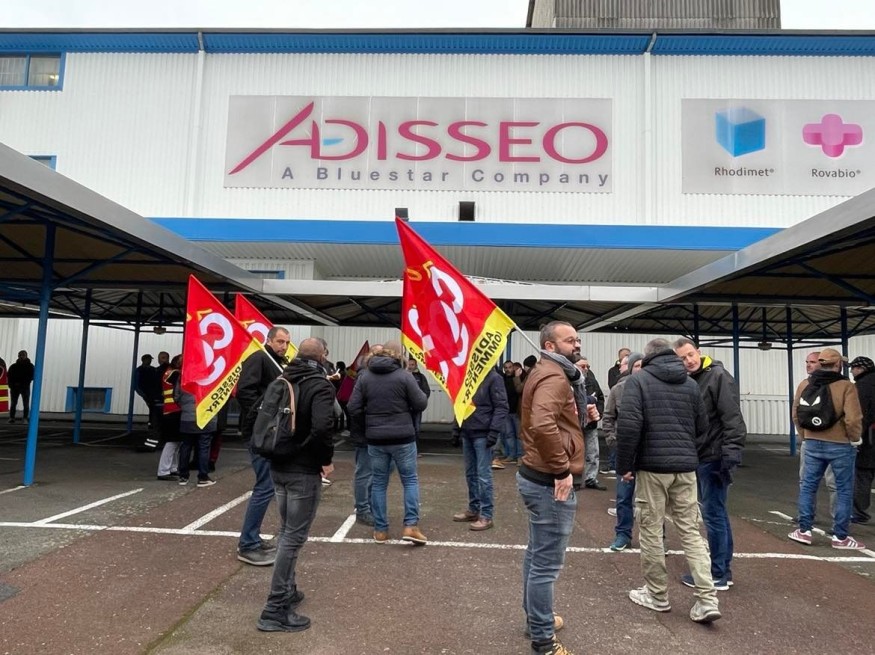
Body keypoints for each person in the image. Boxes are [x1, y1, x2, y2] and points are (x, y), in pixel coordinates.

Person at [616, 338, 720, 624]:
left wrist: (624, 465)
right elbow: (703, 427)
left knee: (651, 530)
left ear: (647, 356)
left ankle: (657, 594)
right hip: (685, 468)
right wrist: (688, 452)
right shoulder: (690, 384)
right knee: (691, 531)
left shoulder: (638, 382)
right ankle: (707, 598)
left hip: (652, 468)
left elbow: (629, 426)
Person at [518, 321, 597, 655]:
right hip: (549, 480)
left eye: (577, 339)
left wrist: (583, 419)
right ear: (549, 346)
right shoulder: (554, 375)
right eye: (569, 340)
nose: (576, 344)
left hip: (537, 474)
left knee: (537, 555)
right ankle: (543, 640)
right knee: (545, 565)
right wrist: (562, 469)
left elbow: (554, 420)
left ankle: (537, 619)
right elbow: (541, 423)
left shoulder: (556, 373)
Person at [256, 338, 336, 633]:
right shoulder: (319, 385)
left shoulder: (282, 378)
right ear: (322, 356)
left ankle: (288, 590)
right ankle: (275, 608)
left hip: (277, 464)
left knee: (286, 530)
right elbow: (322, 428)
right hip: (302, 469)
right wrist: (324, 460)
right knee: (293, 537)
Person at [673, 337, 747, 590]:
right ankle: (722, 570)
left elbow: (732, 417)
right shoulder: (690, 380)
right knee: (716, 513)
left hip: (715, 457)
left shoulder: (718, 376)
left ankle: (718, 573)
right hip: (701, 455)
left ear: (699, 352)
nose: (688, 361)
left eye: (690, 354)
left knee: (714, 515)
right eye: (682, 358)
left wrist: (731, 453)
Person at [347, 341, 429, 545]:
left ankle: (380, 530)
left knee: (379, 483)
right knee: (409, 480)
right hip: (403, 437)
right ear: (399, 355)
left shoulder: (365, 376)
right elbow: (421, 403)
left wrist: (370, 419)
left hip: (375, 438)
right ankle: (410, 526)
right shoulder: (404, 376)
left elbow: (353, 407)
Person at [789, 347, 865, 549]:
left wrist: (805, 435)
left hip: (812, 442)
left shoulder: (806, 384)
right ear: (838, 364)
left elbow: (796, 413)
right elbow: (853, 418)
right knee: (843, 489)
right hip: (840, 445)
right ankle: (840, 537)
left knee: (808, 486)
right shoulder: (846, 386)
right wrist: (854, 439)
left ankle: (804, 530)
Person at [236, 326, 291, 566]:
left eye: (286, 342)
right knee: (265, 486)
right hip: (259, 433)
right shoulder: (259, 358)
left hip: (271, 433)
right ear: (269, 340)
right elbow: (244, 392)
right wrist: (263, 417)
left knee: (268, 485)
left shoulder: (279, 363)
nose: (284, 346)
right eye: (280, 341)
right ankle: (247, 544)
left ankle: (253, 539)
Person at [451, 367, 508, 531]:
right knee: (471, 474)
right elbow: (460, 403)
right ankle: (474, 509)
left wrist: (493, 432)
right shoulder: (468, 377)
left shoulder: (494, 378)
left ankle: (486, 515)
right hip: (468, 431)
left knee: (483, 476)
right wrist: (456, 428)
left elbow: (501, 407)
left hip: (483, 433)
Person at [601, 351, 644, 551]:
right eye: (637, 365)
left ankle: (657, 538)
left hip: (649, 453)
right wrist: (613, 442)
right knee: (624, 496)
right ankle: (623, 535)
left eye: (644, 365)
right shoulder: (618, 389)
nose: (641, 369)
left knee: (652, 499)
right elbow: (608, 417)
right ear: (631, 368)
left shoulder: (655, 388)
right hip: (625, 452)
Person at [796, 351, 837, 524]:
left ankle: (837, 520)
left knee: (833, 484)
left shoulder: (839, 384)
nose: (808, 365)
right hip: (813, 440)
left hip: (833, 441)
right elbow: (796, 412)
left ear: (822, 363)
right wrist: (804, 435)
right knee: (806, 481)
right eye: (807, 362)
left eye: (812, 362)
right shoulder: (804, 384)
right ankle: (806, 517)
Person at [175, 379, 217, 487]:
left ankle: (183, 476)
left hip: (187, 417)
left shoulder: (183, 376)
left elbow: (176, 397)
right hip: (206, 417)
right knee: (204, 447)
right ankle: (203, 477)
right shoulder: (211, 376)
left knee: (185, 446)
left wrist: (185, 407)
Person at [849, 356, 875, 524]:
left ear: (861, 369)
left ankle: (859, 512)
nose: (851, 371)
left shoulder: (861, 386)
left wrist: (855, 437)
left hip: (869, 438)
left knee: (863, 475)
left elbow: (860, 415)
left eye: (853, 368)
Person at [575, 357, 605, 490]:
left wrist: (598, 414)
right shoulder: (568, 381)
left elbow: (600, 398)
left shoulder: (592, 381)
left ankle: (591, 478)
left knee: (593, 452)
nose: (586, 369)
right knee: (575, 452)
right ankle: (575, 479)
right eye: (583, 366)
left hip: (591, 424)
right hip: (575, 424)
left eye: (588, 366)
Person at [156, 354, 183, 480]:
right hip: (174, 410)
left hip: (171, 410)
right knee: (172, 442)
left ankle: (172, 468)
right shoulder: (175, 374)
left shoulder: (169, 373)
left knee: (176, 442)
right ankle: (164, 471)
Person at [498, 360, 524, 466]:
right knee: (509, 435)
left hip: (516, 411)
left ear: (513, 368)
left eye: (510, 367)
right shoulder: (502, 379)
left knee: (519, 435)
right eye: (506, 368)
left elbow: (520, 390)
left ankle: (520, 456)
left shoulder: (517, 378)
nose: (508, 369)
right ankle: (511, 455)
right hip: (507, 411)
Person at [135, 354, 163, 437]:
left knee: (153, 409)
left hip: (153, 393)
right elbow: (136, 385)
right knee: (153, 409)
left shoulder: (153, 369)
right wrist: (143, 395)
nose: (150, 361)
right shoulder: (139, 370)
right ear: (144, 360)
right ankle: (153, 426)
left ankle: (153, 426)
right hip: (147, 393)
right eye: (149, 359)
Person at [406, 357, 431, 444]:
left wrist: (421, 402)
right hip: (405, 409)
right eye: (409, 364)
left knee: (416, 428)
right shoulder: (403, 376)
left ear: (416, 365)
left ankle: (415, 447)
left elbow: (426, 391)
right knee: (407, 429)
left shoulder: (421, 377)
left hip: (416, 408)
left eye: (412, 364)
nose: (410, 366)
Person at [8, 350, 34, 424]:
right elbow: (9, 376)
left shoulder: (14, 366)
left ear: (26, 356)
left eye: (23, 355)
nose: (21, 356)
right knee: (14, 403)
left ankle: (23, 418)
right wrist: (11, 385)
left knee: (24, 403)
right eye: (20, 355)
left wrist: (12, 385)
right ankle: (13, 418)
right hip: (17, 387)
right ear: (18, 356)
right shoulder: (29, 366)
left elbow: (32, 376)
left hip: (22, 387)